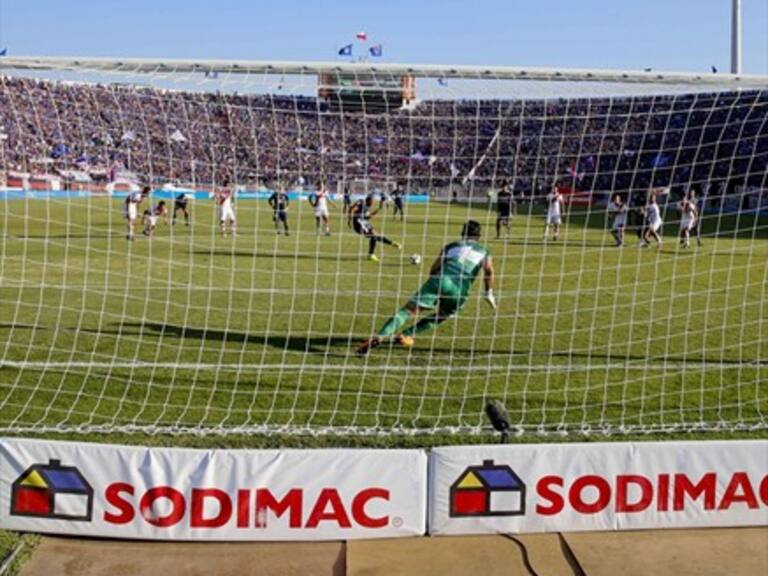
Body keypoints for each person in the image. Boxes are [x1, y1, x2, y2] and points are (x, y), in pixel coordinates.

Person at [356, 220, 496, 356]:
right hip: (460, 289)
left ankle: (380, 336)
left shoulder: (451, 246)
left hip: (439, 280)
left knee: (408, 311)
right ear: (479, 236)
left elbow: (435, 268)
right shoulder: (484, 251)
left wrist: (434, 286)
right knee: (443, 315)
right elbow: (489, 271)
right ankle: (407, 334)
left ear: (462, 234)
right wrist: (488, 292)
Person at [348, 194, 401, 262]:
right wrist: (349, 220)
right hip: (358, 223)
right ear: (369, 200)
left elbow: (368, 217)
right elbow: (352, 208)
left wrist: (379, 208)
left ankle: (392, 243)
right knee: (373, 235)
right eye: (372, 201)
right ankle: (371, 254)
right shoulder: (362, 202)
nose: (373, 203)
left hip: (363, 222)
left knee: (376, 234)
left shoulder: (367, 208)